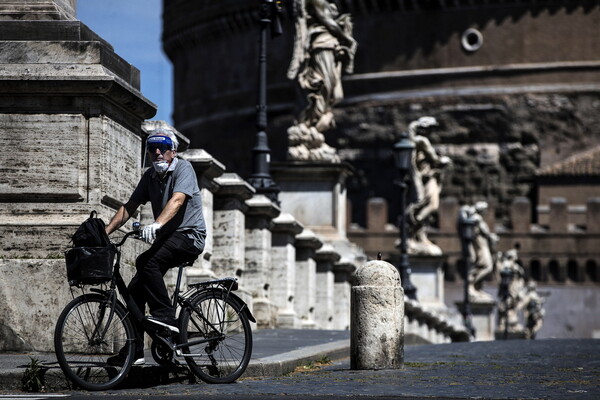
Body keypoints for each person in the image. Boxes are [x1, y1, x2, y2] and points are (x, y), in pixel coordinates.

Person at [104, 128, 206, 365]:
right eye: (152, 148)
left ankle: (166, 317)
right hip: (168, 239)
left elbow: (178, 199)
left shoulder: (183, 168)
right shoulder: (150, 176)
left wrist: (157, 223)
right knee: (135, 291)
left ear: (173, 150)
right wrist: (104, 233)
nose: (157, 152)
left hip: (189, 236)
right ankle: (135, 350)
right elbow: (129, 206)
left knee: (145, 262)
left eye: (162, 147)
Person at [405, 116, 451, 255]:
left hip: (427, 177)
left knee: (426, 206)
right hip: (427, 178)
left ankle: (419, 235)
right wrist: (444, 160)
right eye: (432, 128)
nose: (433, 132)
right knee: (432, 205)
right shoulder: (422, 141)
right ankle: (413, 228)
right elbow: (435, 159)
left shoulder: (417, 141)